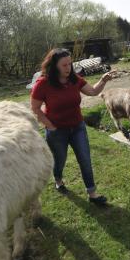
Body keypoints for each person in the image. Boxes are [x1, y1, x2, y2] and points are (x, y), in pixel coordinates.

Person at [30, 48, 116, 205]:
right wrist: (50, 126)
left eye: (70, 64)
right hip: (56, 131)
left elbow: (93, 91)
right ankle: (58, 180)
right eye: (64, 65)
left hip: (77, 127)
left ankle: (92, 193)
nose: (68, 68)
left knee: (85, 159)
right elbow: (35, 108)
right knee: (60, 160)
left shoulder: (74, 78)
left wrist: (103, 80)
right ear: (54, 66)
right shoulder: (43, 84)